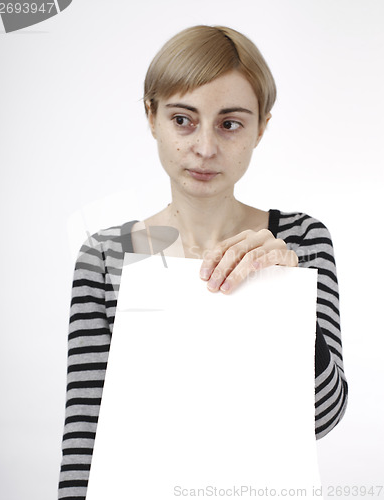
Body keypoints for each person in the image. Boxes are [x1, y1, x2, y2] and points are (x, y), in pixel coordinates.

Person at [58, 25, 348, 499]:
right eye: (183, 119)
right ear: (151, 116)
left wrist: (287, 298)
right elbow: (85, 437)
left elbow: (324, 418)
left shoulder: (300, 239)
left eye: (230, 123)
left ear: (262, 127)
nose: (206, 147)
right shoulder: (105, 256)